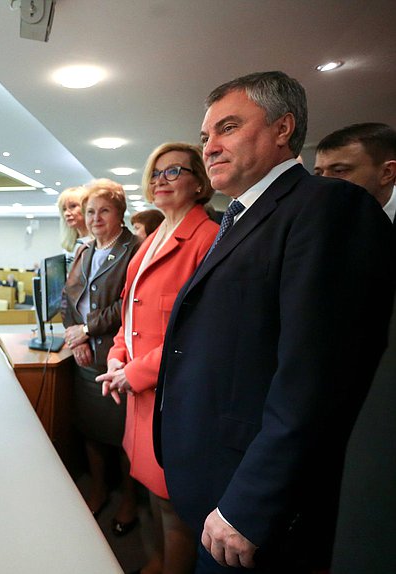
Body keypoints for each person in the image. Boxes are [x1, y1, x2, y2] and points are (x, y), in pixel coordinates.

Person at [154, 71, 395, 573]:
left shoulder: (329, 206)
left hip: (253, 499)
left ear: (283, 128)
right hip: (216, 473)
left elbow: (319, 377)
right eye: (205, 137)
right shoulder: (239, 218)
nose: (210, 146)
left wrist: (252, 502)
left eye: (228, 127)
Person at [98, 142, 218, 571]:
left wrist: (135, 371)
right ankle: (155, 561)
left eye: (173, 172)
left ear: (199, 181)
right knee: (151, 498)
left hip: (171, 400)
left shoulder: (207, 238)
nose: (160, 181)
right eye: (155, 174)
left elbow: (199, 334)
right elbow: (129, 314)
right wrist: (116, 358)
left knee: (173, 509)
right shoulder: (149, 242)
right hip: (138, 398)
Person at [61, 178, 140, 519]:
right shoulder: (84, 249)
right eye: (90, 211)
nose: (95, 218)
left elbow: (128, 305)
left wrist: (87, 329)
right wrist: (74, 336)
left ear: (119, 212)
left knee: (124, 437)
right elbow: (68, 298)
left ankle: (129, 501)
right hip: (86, 359)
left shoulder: (135, 248)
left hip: (116, 359)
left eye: (103, 210)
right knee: (90, 431)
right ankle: (98, 488)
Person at [315, 122, 396, 223]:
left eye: (339, 171)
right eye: (318, 173)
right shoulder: (314, 221)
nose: (323, 182)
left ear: (387, 173)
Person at [58, 186, 91, 267]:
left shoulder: (98, 243)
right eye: (64, 209)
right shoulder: (70, 244)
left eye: (73, 206)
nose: (67, 213)